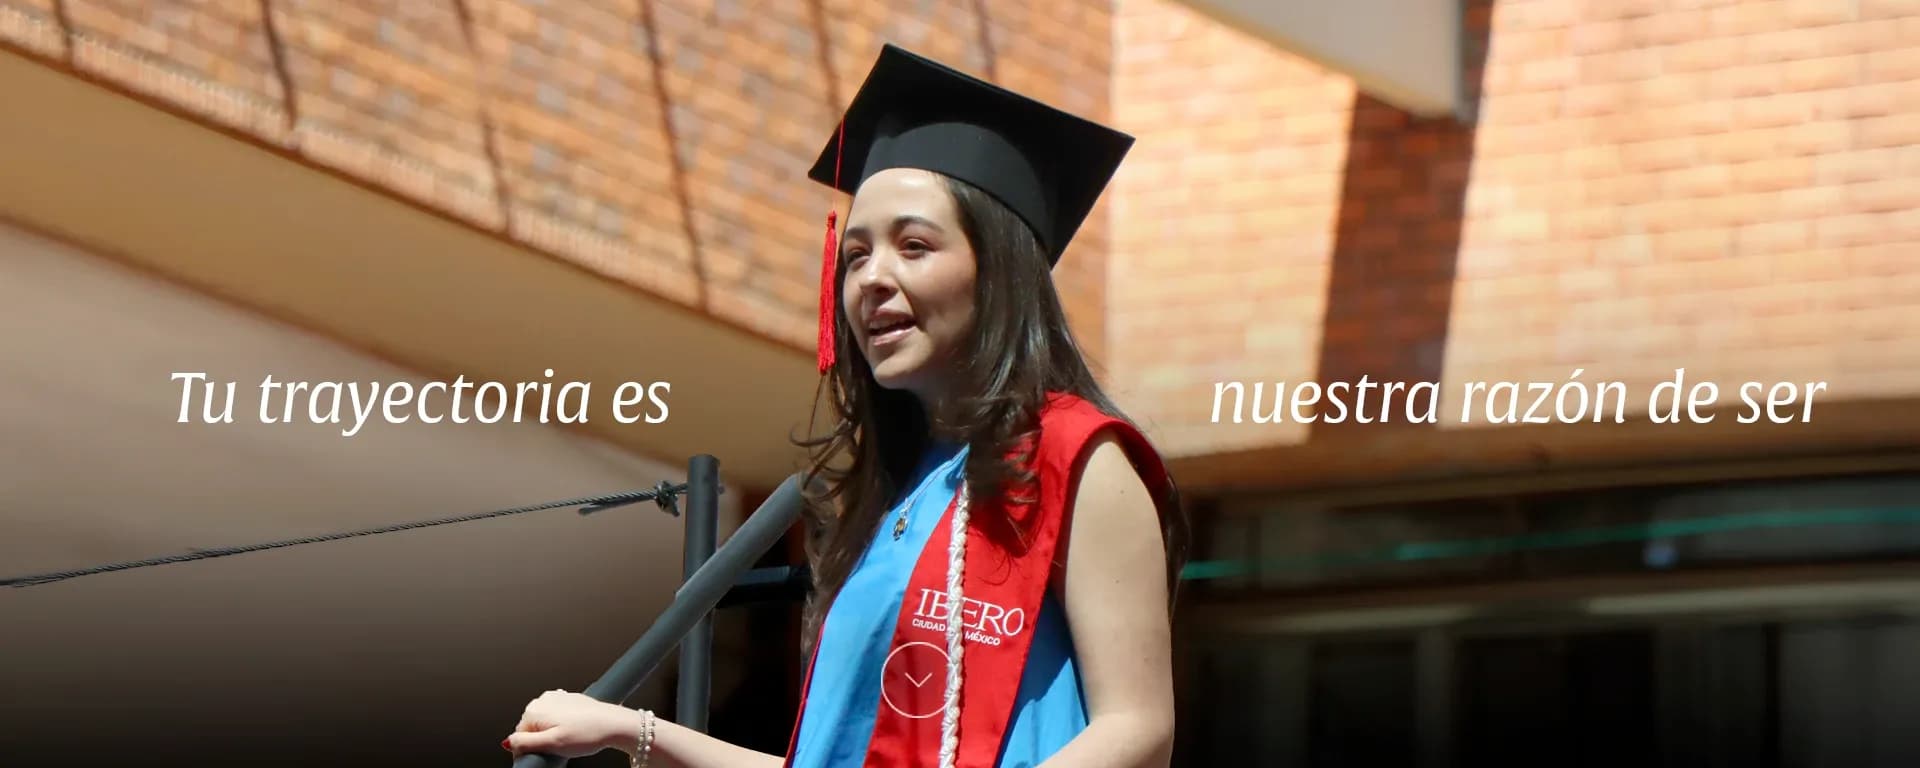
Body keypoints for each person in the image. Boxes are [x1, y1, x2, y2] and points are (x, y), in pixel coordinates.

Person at [504, 43, 1189, 768]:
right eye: (856, 255)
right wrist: (633, 730)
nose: (872, 279)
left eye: (914, 246)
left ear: (998, 272)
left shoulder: (1079, 456)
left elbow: (1138, 731)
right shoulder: (897, 498)